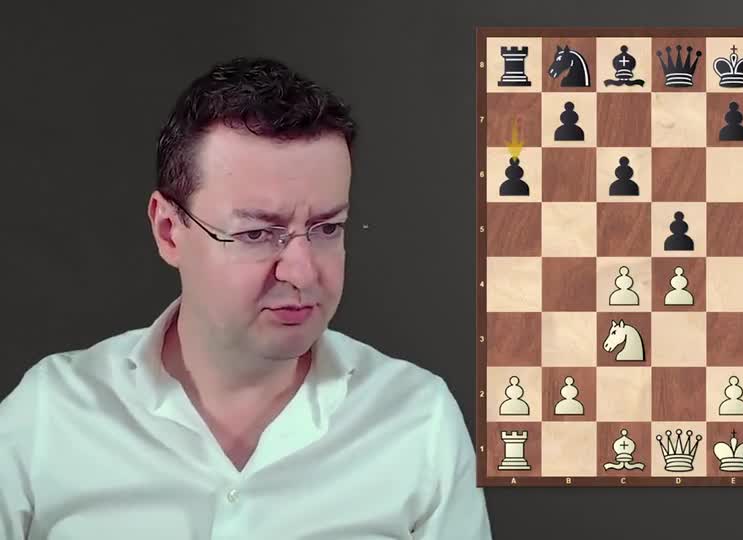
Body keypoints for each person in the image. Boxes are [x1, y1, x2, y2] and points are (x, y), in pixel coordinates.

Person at [0, 56, 491, 539]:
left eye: (327, 228)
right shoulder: (49, 415)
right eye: (257, 233)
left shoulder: (418, 420)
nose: (302, 272)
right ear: (168, 230)